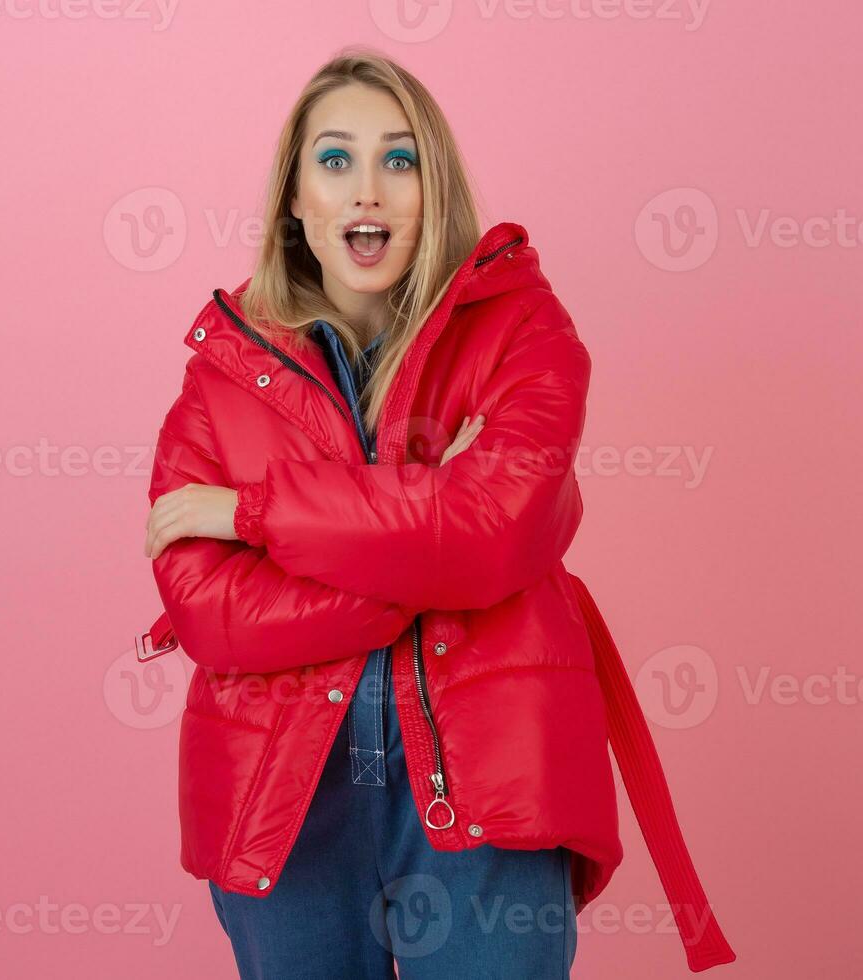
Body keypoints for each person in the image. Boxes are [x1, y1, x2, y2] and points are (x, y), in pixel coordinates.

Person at [140, 48, 734, 978]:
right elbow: (211, 616)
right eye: (334, 160)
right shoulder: (222, 370)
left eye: (400, 159)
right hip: (283, 806)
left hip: (494, 787)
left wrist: (253, 513)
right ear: (295, 198)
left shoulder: (523, 329)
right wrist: (427, 542)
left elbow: (495, 529)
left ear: (435, 187)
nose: (367, 190)